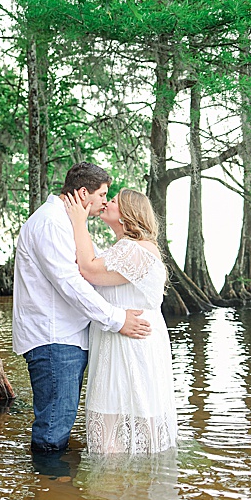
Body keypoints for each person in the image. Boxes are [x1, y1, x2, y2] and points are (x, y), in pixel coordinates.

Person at [12, 162, 152, 453]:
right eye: (102, 194)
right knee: (53, 428)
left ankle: (57, 490)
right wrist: (117, 320)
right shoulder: (51, 222)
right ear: (84, 192)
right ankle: (51, 491)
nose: (104, 201)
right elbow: (70, 283)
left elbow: (92, 271)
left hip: (67, 338)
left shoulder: (64, 223)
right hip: (54, 339)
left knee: (60, 421)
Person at [63, 187, 178, 454]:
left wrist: (79, 221)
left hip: (132, 340)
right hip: (122, 335)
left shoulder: (134, 250)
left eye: (113, 200)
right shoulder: (124, 249)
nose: (106, 202)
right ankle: (121, 484)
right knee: (122, 412)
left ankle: (118, 484)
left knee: (124, 410)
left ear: (127, 214)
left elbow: (89, 269)